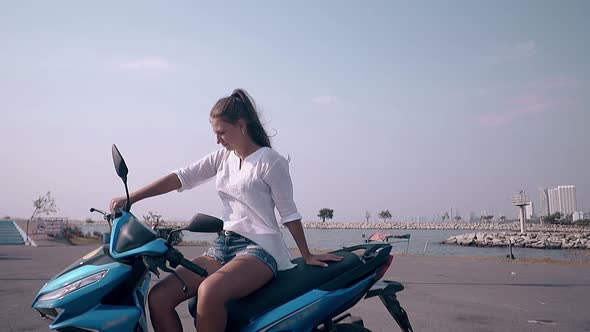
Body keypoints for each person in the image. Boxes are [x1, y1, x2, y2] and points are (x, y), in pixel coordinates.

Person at [110, 88, 342, 332]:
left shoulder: (270, 160)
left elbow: (289, 213)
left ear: (241, 125)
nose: (217, 140)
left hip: (260, 250)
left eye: (221, 132)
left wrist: (306, 254)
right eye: (215, 133)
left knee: (209, 291)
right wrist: (133, 197)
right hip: (222, 247)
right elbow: (181, 177)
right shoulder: (223, 157)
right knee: (159, 297)